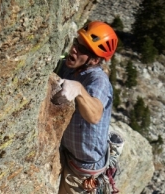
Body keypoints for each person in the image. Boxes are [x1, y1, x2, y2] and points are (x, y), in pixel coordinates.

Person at [53, 21, 118, 194]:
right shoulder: (69, 67)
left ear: (95, 59)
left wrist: (79, 90)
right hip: (66, 154)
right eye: (76, 43)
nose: (74, 49)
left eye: (82, 49)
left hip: (82, 171)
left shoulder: (97, 80)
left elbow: (95, 114)